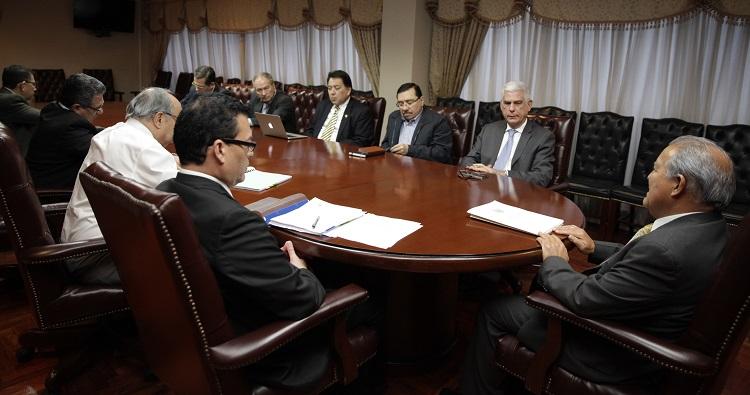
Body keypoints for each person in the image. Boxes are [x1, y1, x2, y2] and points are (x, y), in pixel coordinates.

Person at [457, 135, 736, 395]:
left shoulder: (664, 252)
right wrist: (594, 247)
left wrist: (555, 261)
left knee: (495, 310)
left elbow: (584, 298)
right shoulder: (710, 226)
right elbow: (639, 256)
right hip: (638, 320)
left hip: (612, 351)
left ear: (678, 184)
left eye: (655, 169)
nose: (648, 176)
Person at [157, 93, 329, 388]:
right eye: (248, 144)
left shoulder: (167, 190)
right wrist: (301, 269)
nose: (251, 154)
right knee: (368, 299)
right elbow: (302, 298)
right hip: (263, 352)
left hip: (186, 343)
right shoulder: (232, 222)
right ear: (220, 149)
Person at [60, 87, 182, 285]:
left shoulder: (111, 133)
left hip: (77, 248)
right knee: (191, 260)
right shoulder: (145, 148)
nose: (179, 128)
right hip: (99, 255)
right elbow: (186, 193)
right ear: (160, 118)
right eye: (178, 120)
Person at [459, 81, 554, 187]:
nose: (511, 109)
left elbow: (541, 177)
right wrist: (478, 170)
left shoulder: (543, 137)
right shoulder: (489, 130)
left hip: (518, 194)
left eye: (518, 103)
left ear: (529, 105)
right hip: (483, 188)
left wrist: (499, 173)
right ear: (501, 105)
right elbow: (468, 159)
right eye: (507, 103)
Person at [26, 73, 106, 189]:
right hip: (57, 192)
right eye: (97, 108)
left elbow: (86, 132)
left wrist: (108, 131)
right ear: (77, 108)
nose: (101, 112)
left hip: (40, 180)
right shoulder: (71, 127)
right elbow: (102, 152)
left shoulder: (53, 109)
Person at [380, 82, 452, 164]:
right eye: (400, 104)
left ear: (421, 101)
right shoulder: (394, 117)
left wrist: (409, 150)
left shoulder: (437, 121)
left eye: (409, 103)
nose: (404, 108)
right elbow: (386, 143)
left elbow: (442, 154)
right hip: (395, 167)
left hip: (423, 171)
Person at [306, 70, 374, 147]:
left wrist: (334, 147)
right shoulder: (323, 105)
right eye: (329, 88)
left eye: (337, 88)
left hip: (340, 154)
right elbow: (310, 130)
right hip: (315, 151)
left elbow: (361, 141)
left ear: (348, 90)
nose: (332, 92)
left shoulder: (361, 111)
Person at [0, 65, 40, 156]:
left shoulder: (4, 96)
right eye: (33, 84)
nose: (35, 88)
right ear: (23, 86)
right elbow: (42, 116)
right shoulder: (9, 100)